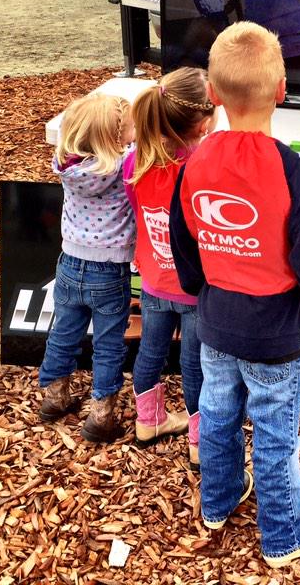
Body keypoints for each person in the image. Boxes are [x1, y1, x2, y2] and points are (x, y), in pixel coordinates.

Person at [168, 21, 300, 568]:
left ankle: (218, 503)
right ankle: (283, 537)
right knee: (273, 434)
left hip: (216, 320)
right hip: (274, 332)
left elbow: (184, 247)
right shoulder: (297, 175)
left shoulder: (192, 164)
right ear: (281, 89)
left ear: (214, 95)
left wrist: (203, 288)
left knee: (217, 412)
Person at [123, 68, 216, 468]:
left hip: (153, 281)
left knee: (150, 353)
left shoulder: (135, 162)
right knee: (195, 367)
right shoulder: (204, 168)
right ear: (206, 121)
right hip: (196, 290)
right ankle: (198, 442)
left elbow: (136, 209)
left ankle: (149, 421)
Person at [38, 93, 137, 443]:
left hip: (68, 264)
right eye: (127, 129)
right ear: (113, 138)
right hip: (109, 270)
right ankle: (101, 415)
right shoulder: (125, 167)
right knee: (108, 344)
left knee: (63, 332)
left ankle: (54, 397)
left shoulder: (67, 165)